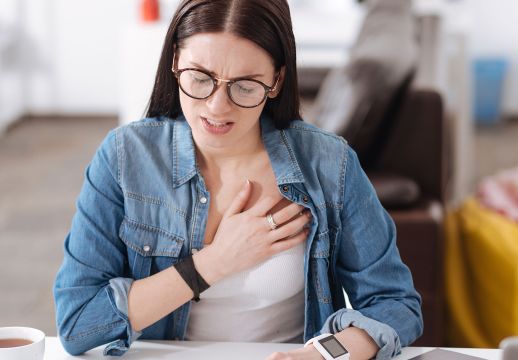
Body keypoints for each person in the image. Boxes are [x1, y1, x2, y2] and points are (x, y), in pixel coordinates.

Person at [53, 0, 422, 359]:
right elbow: (79, 322)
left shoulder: (328, 164)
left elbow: (394, 303)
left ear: (276, 80)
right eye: (199, 78)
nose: (217, 107)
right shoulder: (125, 157)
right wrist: (213, 263)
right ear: (175, 62)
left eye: (244, 86)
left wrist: (323, 355)